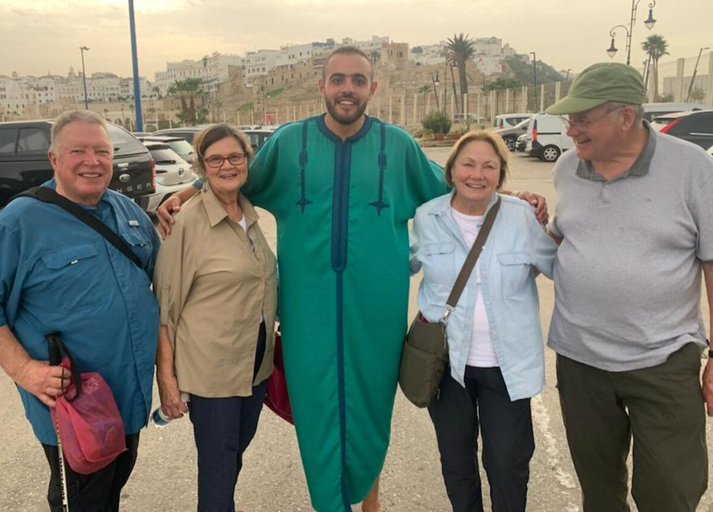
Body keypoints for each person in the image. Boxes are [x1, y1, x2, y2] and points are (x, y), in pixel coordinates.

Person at [157, 47, 548, 512]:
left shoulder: (397, 144)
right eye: (338, 79)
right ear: (322, 86)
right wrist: (189, 188)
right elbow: (237, 177)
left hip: (375, 311)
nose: (348, 88)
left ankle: (368, 504)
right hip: (308, 312)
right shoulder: (289, 142)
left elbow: (455, 186)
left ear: (372, 88)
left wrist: (514, 196)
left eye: (358, 80)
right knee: (318, 415)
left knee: (368, 413)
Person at [0, 110, 160, 511]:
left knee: (109, 489)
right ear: (53, 159)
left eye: (101, 151)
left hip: (128, 394)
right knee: (80, 501)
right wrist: (25, 371)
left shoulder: (128, 212)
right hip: (75, 403)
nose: (91, 161)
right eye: (77, 150)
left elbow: (164, 283)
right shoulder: (18, 223)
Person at [545, 62, 713, 512]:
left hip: (662, 359)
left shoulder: (692, 167)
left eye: (583, 118)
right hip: (580, 362)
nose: (571, 128)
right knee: (599, 492)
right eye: (570, 118)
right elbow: (561, 239)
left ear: (625, 117)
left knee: (669, 492)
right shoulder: (566, 167)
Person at [410, 130, 557, 512]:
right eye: (468, 164)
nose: (477, 174)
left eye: (489, 166)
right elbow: (394, 267)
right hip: (447, 366)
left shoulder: (521, 216)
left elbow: (558, 266)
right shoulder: (428, 216)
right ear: (452, 170)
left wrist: (554, 221)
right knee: (457, 465)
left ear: (501, 174)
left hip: (507, 367)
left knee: (507, 465)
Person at [152, 124, 277, 511]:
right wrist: (168, 381)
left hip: (254, 366)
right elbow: (165, 309)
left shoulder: (249, 213)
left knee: (232, 461)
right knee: (218, 470)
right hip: (211, 373)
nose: (227, 165)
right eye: (216, 159)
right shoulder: (185, 222)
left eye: (235, 157)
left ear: (247, 161)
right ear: (202, 166)